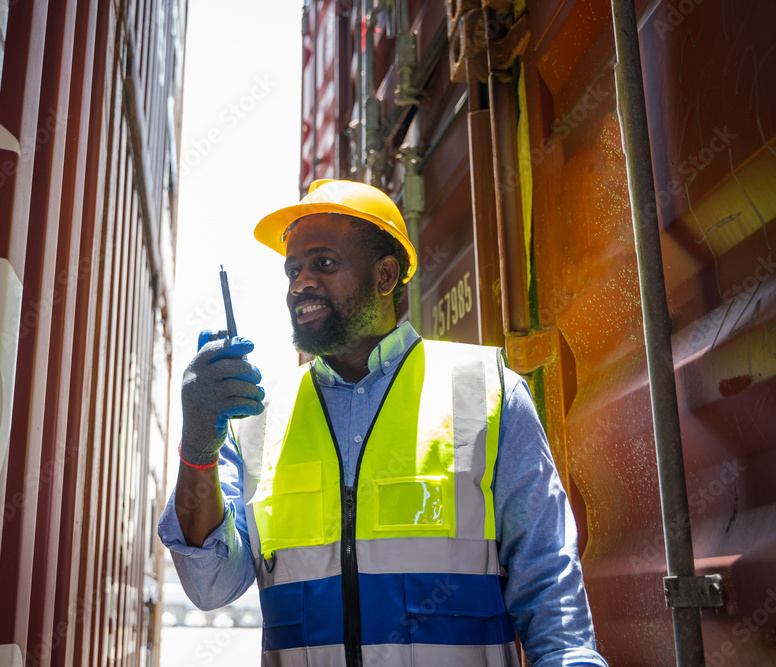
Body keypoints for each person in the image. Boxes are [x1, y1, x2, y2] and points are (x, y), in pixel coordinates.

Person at [159, 180, 608, 666]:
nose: (299, 283)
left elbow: (548, 584)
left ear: (386, 275)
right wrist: (198, 442)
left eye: (323, 264)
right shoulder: (257, 421)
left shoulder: (488, 391)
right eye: (293, 269)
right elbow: (208, 585)